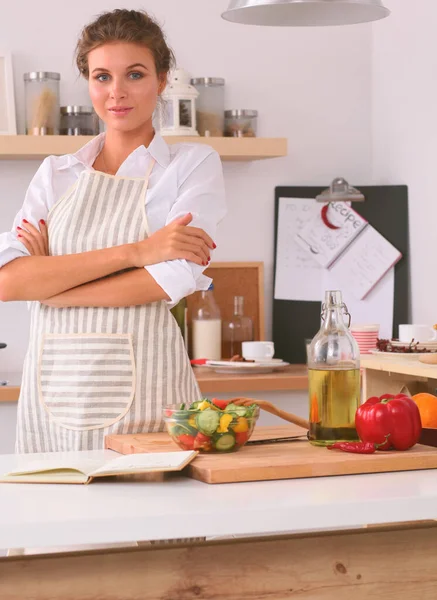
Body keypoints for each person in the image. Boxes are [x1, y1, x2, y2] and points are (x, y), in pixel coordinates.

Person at [0, 8, 226, 455]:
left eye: (135, 74)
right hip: (53, 394)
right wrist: (138, 251)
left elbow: (170, 279)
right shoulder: (55, 174)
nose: (117, 93)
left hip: (150, 395)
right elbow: (10, 281)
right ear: (88, 83)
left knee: (155, 522)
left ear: (162, 80)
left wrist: (52, 285)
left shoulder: (191, 166)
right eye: (102, 76)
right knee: (57, 521)